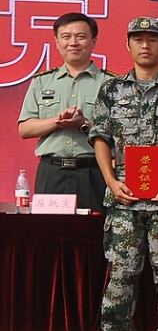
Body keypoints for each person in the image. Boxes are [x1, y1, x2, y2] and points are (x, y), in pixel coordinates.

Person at [89, 17, 158, 331]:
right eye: (138, 39)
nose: (145, 45)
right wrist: (111, 181)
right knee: (122, 270)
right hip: (124, 192)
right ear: (128, 45)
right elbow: (100, 138)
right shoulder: (111, 89)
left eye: (153, 39)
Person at [18, 12, 115, 213]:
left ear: (93, 41)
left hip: (94, 171)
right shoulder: (42, 81)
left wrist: (84, 125)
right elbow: (25, 129)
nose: (73, 43)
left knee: (94, 230)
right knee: (47, 231)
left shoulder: (111, 84)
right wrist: (57, 121)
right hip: (51, 171)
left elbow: (119, 133)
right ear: (56, 42)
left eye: (81, 37)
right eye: (66, 37)